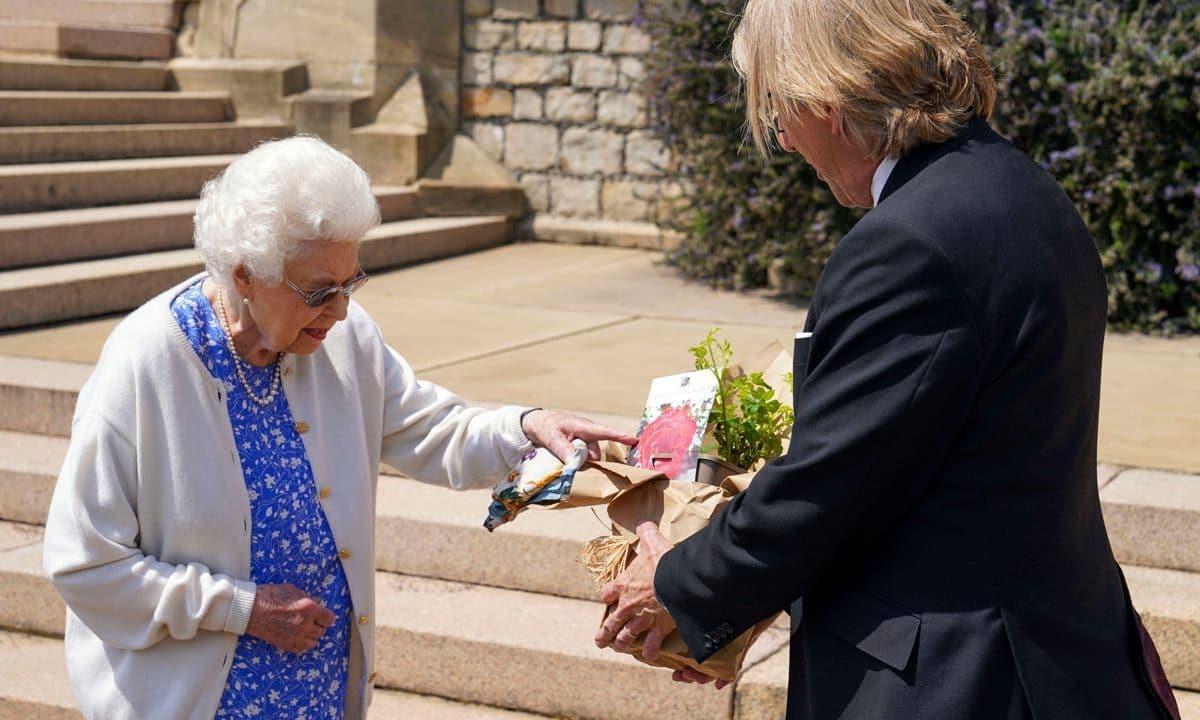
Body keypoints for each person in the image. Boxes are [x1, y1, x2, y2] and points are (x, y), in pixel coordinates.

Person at [593, 1, 1181, 718]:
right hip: (1059, 651)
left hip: (962, 679)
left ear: (827, 102)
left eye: (780, 111)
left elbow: (829, 483)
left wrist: (680, 588)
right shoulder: (1023, 190)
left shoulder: (909, 244)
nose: (783, 138)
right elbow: (911, 455)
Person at [42, 135, 636, 720]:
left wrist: (528, 426)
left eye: (351, 282)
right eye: (319, 291)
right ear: (244, 274)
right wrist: (241, 609)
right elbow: (86, 565)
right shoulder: (148, 362)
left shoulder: (341, 338)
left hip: (320, 695)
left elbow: (432, 428)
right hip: (194, 703)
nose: (342, 309)